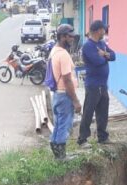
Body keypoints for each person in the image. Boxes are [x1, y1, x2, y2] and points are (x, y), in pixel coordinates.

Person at [77, 20, 115, 146]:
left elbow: (114, 56)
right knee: (88, 112)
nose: (105, 31)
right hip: (93, 85)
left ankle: (102, 137)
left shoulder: (102, 43)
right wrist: (106, 57)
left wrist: (104, 54)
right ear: (98, 30)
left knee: (103, 112)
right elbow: (97, 62)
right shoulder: (88, 46)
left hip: (103, 85)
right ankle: (82, 139)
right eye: (104, 29)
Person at [49, 23, 82, 160]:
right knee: (64, 124)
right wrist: (76, 101)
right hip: (65, 95)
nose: (72, 39)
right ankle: (61, 157)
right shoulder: (63, 55)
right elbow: (67, 80)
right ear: (63, 37)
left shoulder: (54, 50)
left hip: (58, 94)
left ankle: (57, 153)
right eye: (70, 37)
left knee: (58, 124)